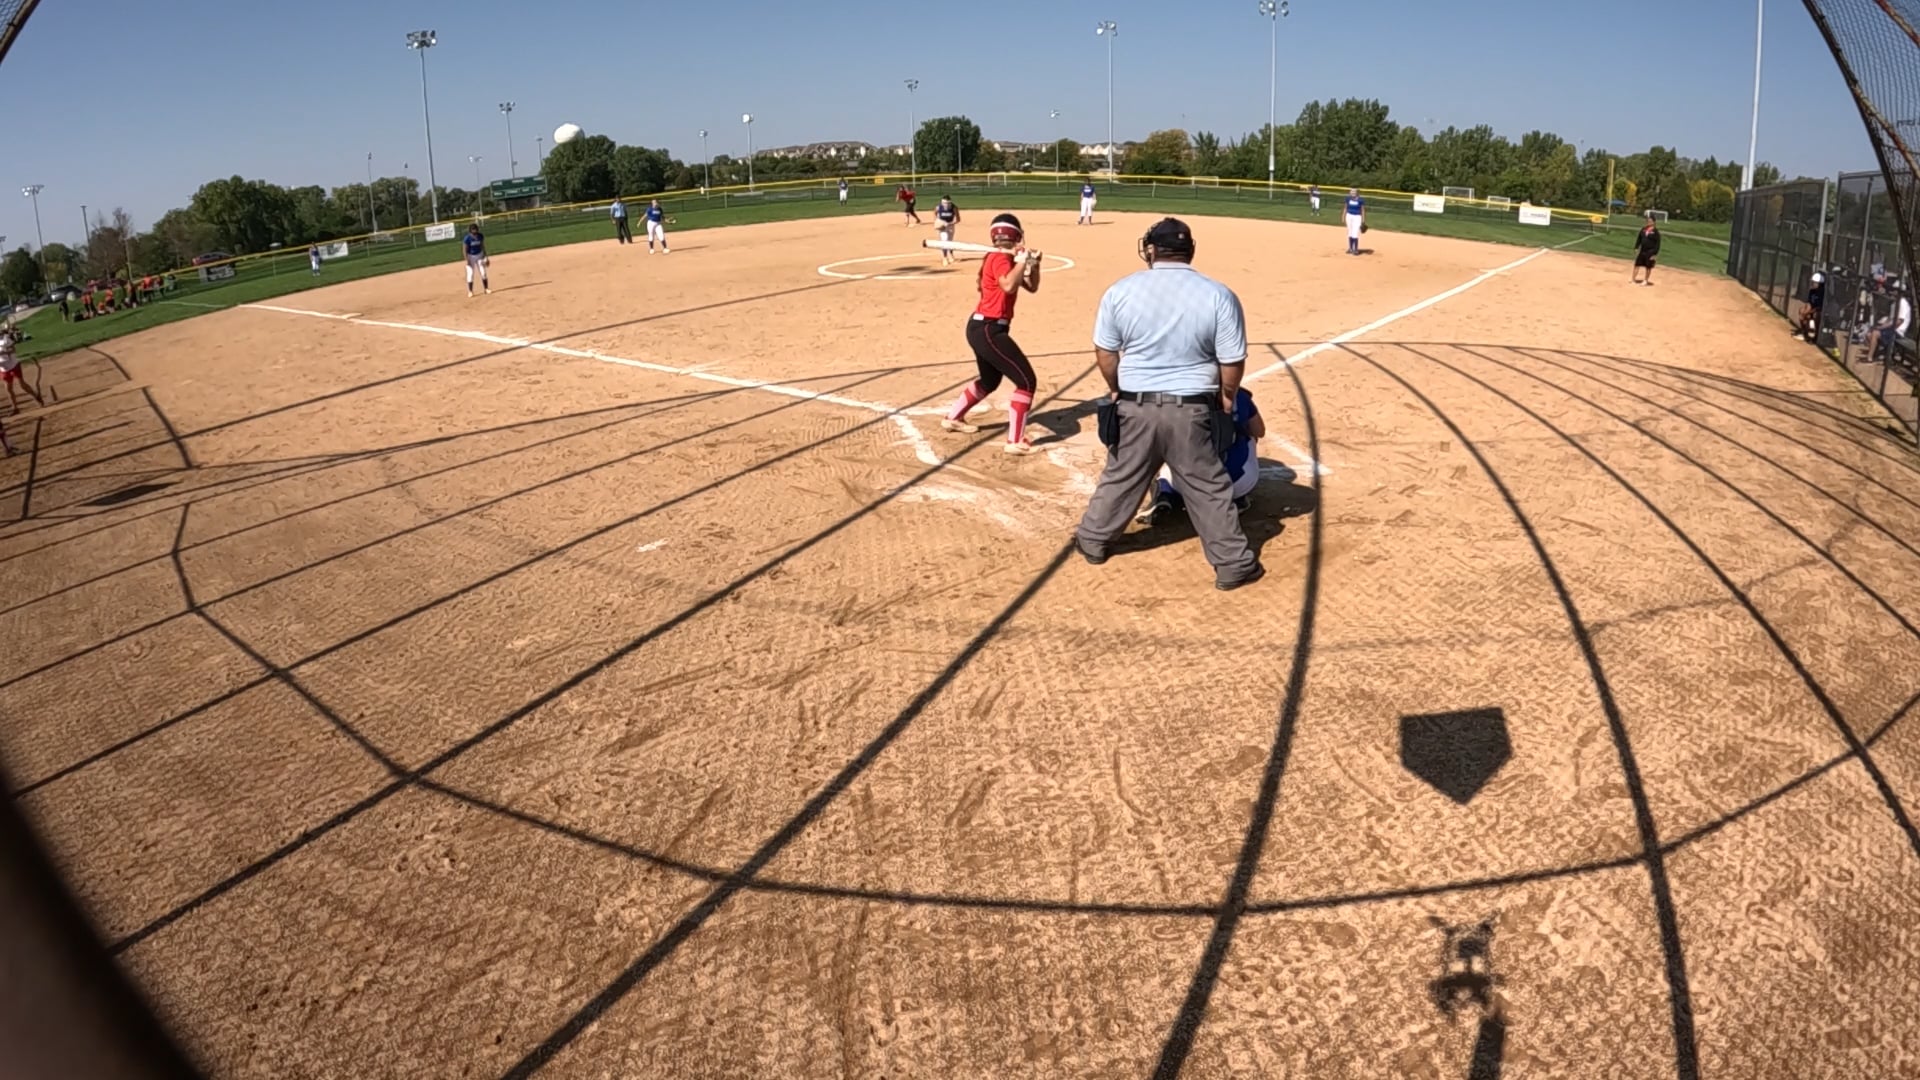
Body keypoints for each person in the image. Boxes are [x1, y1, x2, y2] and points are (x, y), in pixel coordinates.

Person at [1074, 217, 1264, 591]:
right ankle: (1232, 565)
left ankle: (1094, 540)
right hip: (1192, 407)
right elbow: (1232, 360)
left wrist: (1116, 389)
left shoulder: (1121, 290)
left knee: (1122, 475)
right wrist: (1227, 397)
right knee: (1207, 486)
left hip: (1135, 404)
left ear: (1151, 250)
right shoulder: (1218, 294)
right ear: (1190, 250)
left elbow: (1106, 352)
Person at [940, 213, 1043, 455]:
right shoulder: (999, 258)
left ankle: (953, 418)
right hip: (988, 328)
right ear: (1016, 234)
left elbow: (1031, 286)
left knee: (989, 381)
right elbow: (1008, 285)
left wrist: (1033, 264)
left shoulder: (1005, 258)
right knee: (1026, 381)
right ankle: (1015, 441)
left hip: (985, 328)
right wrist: (1021, 261)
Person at [1136, 386, 1263, 525]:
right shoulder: (1239, 396)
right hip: (1238, 483)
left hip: (1186, 484)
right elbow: (1260, 431)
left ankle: (1164, 494)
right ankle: (1236, 500)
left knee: (1165, 442)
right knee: (1250, 435)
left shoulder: (1175, 397)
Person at [1867, 280, 1911, 366]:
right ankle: (1877, 355)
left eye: (1895, 290)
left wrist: (1883, 328)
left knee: (1875, 333)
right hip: (1891, 328)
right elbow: (1890, 319)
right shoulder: (1894, 303)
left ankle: (1869, 358)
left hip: (1898, 331)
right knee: (1869, 334)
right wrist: (1881, 325)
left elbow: (1899, 322)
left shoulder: (1902, 303)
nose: (1893, 291)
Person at [1, 325, 40, 415]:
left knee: (22, 384)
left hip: (13, 365)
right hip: (3, 368)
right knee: (8, 388)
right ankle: (15, 408)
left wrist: (4, 352)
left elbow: (13, 350)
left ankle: (36, 396)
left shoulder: (5, 339)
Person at [1794, 271, 1826, 342]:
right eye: (1813, 282)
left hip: (1818, 311)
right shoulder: (1812, 291)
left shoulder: (1823, 293)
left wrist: (1808, 313)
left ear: (1820, 284)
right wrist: (1804, 312)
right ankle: (1804, 332)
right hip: (1812, 309)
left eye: (1815, 282)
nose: (1813, 284)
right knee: (1802, 310)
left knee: (1816, 315)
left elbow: (1819, 307)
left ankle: (1816, 336)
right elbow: (1809, 303)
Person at [1632, 213, 1661, 286]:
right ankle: (1633, 279)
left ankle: (1645, 280)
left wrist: (1654, 254)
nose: (1649, 222)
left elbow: (1657, 244)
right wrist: (1636, 247)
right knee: (1637, 264)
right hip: (1642, 250)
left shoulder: (1656, 232)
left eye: (1650, 221)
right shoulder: (1643, 229)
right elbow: (1639, 239)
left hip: (1650, 251)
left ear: (1654, 222)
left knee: (1648, 267)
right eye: (1648, 221)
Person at [462, 222, 490, 297]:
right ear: (470, 230)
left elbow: (482, 246)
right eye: (473, 230)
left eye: (475, 229)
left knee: (483, 272)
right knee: (470, 274)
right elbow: (464, 249)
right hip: (470, 256)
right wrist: (466, 259)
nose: (474, 231)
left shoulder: (480, 236)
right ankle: (470, 291)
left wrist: (486, 257)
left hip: (479, 255)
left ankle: (486, 289)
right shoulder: (467, 238)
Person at [933, 195, 961, 265]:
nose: (946, 205)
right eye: (944, 203)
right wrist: (937, 221)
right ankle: (945, 257)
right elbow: (935, 213)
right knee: (944, 241)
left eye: (948, 203)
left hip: (950, 225)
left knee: (950, 242)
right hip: (942, 226)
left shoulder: (954, 208)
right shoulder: (938, 207)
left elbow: (958, 219)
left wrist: (949, 224)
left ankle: (951, 255)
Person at [1344, 187, 1366, 255]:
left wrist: (1363, 220)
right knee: (1350, 232)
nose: (1353, 192)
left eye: (1354, 191)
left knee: (1355, 232)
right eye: (1351, 191)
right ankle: (1350, 248)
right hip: (1349, 216)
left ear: (1357, 192)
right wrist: (1343, 216)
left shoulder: (1360, 200)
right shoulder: (1348, 199)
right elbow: (1345, 208)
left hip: (1357, 217)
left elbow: (1363, 210)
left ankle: (1355, 249)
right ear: (1350, 192)